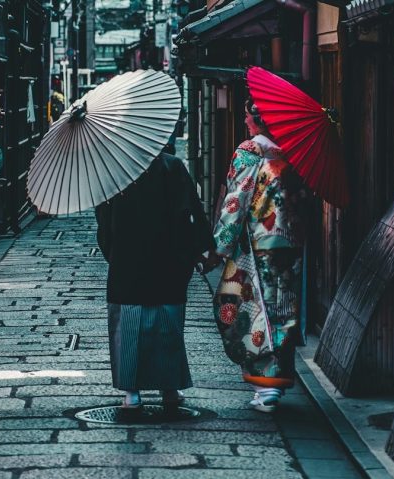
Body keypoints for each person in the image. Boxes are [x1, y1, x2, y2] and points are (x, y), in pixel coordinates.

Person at [206, 99, 306, 413]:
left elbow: (237, 199)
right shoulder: (289, 151)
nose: (246, 121)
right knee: (282, 309)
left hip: (256, 242)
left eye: (249, 116)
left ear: (257, 120)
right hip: (289, 243)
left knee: (250, 309)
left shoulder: (251, 151)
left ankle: (264, 387)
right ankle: (275, 382)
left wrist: (221, 244)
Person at [95, 152, 214, 409]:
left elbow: (103, 222)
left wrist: (114, 254)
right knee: (167, 326)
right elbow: (190, 213)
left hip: (127, 263)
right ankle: (169, 390)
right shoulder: (172, 166)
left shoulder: (114, 168)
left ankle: (131, 393)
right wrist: (196, 251)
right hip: (168, 262)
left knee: (128, 328)